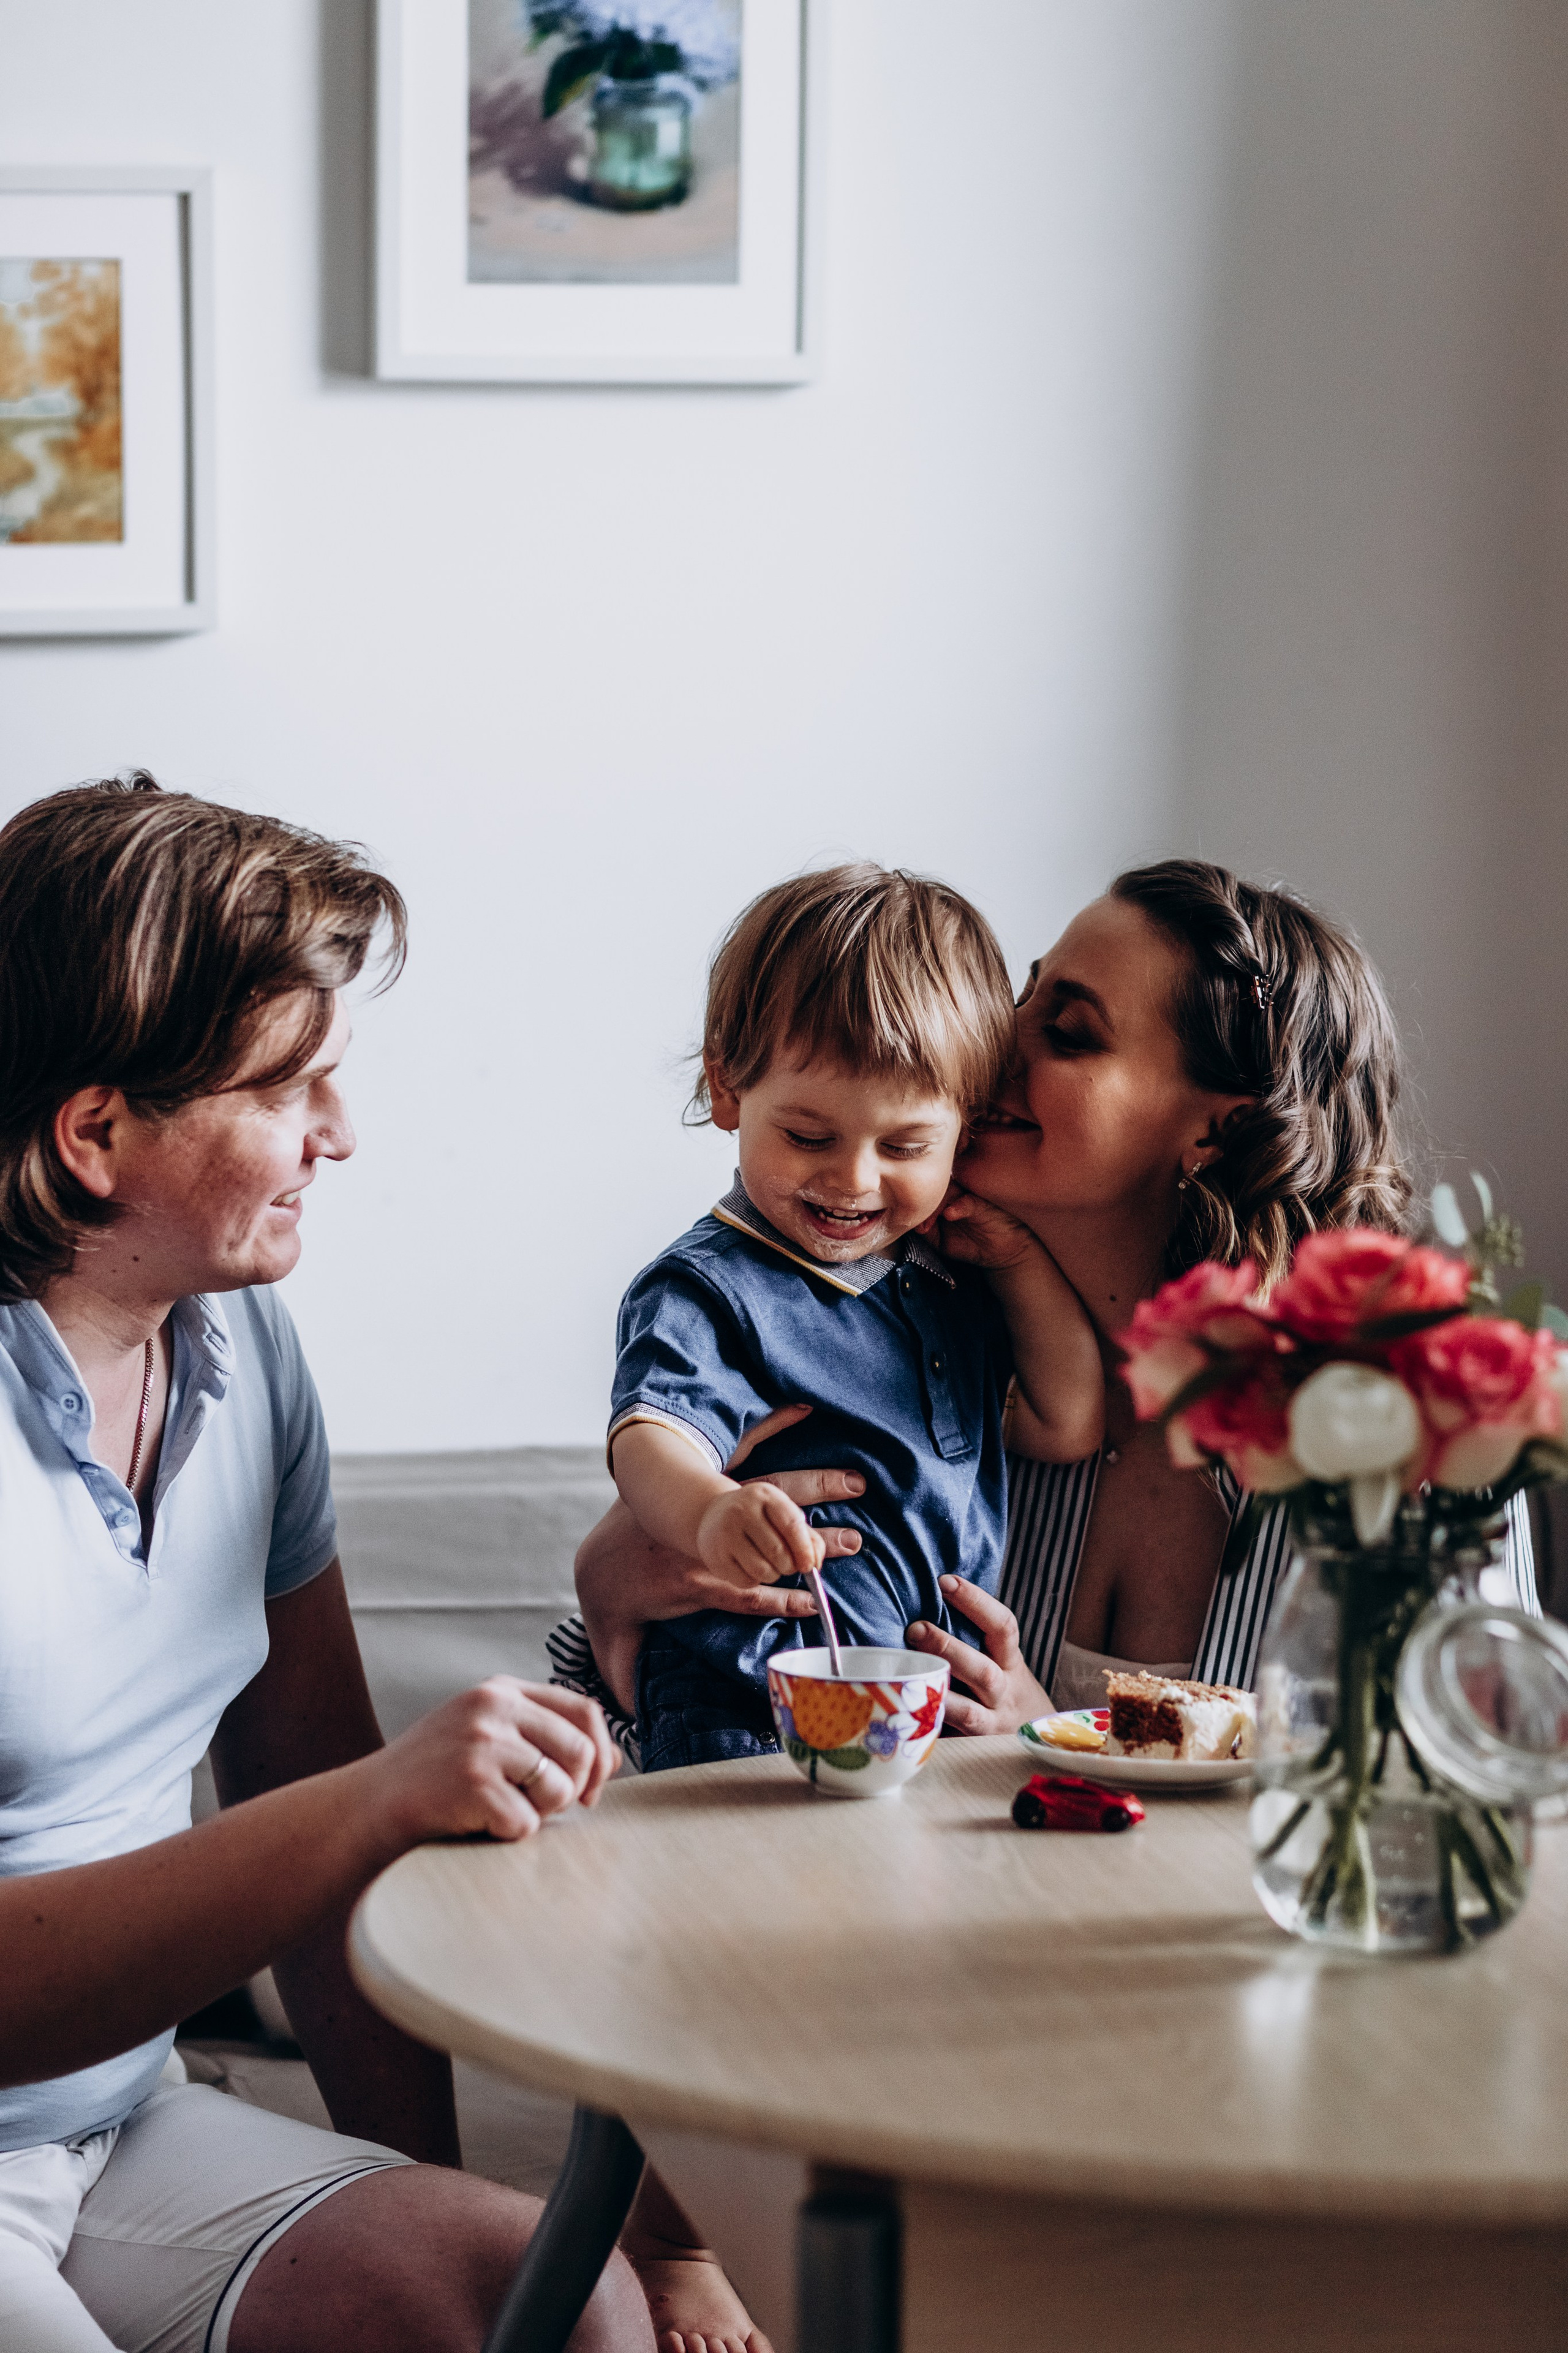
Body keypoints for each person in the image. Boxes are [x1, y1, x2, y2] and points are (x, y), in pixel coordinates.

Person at [0, 777, 654, 2353]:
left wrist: (400, 2186)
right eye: (293, 1088)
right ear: (98, 1134)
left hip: (124, 2119)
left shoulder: (246, 1348)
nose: (339, 1137)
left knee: (546, 2302)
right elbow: (343, 1808)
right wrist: (370, 1802)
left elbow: (315, 1769)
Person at [558, 858, 1537, 1743]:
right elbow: (646, 1644)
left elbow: (1482, 1790)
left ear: (1217, 1130)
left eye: (1065, 1030)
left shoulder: (1407, 1441)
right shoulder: (903, 1338)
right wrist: (610, 1583)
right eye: (1019, 995)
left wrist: (1058, 1736)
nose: (987, 1043)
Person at [607, 866, 1104, 1772]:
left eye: (906, 1146)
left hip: (918, 1715)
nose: (854, 1180)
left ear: (969, 1126)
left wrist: (1022, 1263)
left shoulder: (949, 1285)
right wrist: (713, 1511)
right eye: (808, 1136)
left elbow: (1066, 1420)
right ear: (727, 1090)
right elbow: (649, 1436)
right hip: (750, 1698)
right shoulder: (713, 1285)